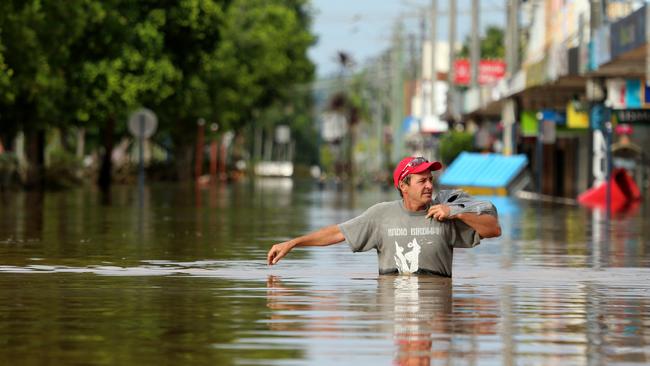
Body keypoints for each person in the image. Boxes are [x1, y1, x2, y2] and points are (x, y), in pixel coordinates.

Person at [267, 156, 501, 276]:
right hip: (392, 288)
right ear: (404, 186)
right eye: (422, 181)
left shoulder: (446, 213)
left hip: (436, 295)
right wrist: (294, 243)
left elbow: (493, 229)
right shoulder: (381, 215)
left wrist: (456, 212)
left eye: (431, 179)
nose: (429, 185)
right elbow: (337, 233)